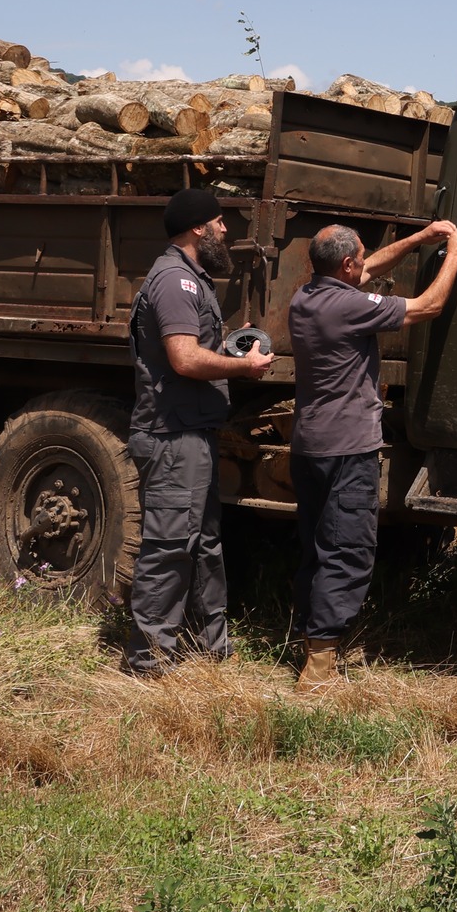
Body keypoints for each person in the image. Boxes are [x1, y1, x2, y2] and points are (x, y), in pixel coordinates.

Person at [288, 217, 457, 690]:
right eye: (360, 258)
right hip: (348, 449)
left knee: (317, 547)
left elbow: (364, 271)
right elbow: (428, 306)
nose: (365, 263)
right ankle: (320, 666)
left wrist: (417, 240)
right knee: (346, 550)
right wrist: (453, 256)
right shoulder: (349, 307)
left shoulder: (308, 297)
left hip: (310, 445)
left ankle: (308, 638)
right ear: (345, 265)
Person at [123, 186, 272, 677]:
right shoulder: (175, 282)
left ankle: (210, 650)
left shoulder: (192, 280)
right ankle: (148, 663)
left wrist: (231, 348)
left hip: (191, 434)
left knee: (202, 544)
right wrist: (242, 366)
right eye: (219, 221)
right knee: (170, 546)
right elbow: (184, 358)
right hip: (172, 438)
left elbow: (192, 347)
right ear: (196, 228)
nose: (226, 228)